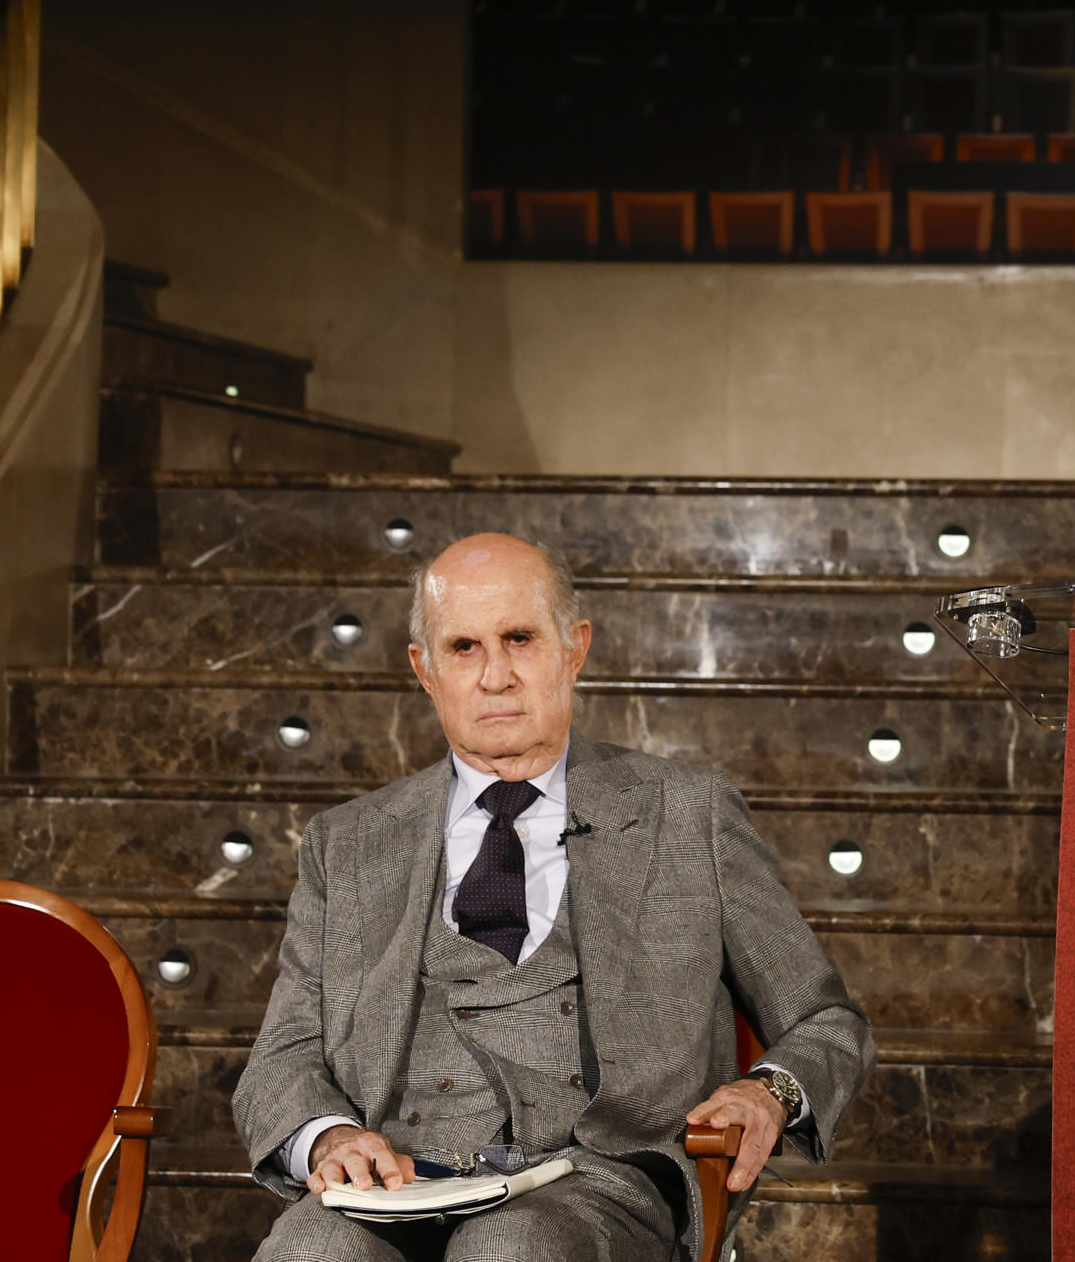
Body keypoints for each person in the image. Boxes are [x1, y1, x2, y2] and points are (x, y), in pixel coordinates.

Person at [233, 532, 875, 1262]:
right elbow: (281, 1058)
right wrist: (332, 1136)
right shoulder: (345, 844)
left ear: (575, 647)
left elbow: (826, 1021)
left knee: (508, 1246)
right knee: (311, 1252)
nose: (496, 675)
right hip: (398, 1184)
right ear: (425, 670)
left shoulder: (687, 814)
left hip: (600, 1183)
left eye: (519, 638)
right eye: (464, 648)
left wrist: (770, 1095)